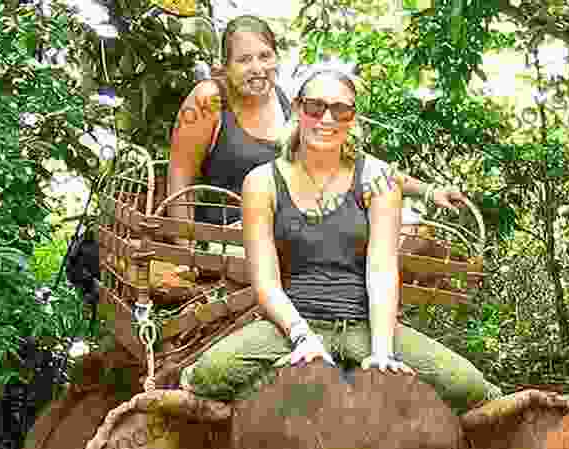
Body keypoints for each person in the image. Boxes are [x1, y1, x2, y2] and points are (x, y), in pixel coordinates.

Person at [179, 65, 502, 414]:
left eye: (340, 110)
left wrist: (381, 352)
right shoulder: (262, 182)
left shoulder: (377, 178)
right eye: (315, 107)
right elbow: (266, 281)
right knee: (209, 374)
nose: (326, 119)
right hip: (292, 324)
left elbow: (381, 269)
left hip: (363, 326)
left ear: (352, 118)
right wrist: (302, 338)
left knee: (467, 384)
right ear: (298, 110)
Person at [167, 15, 464, 228]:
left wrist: (427, 191)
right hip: (223, 239)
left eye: (264, 56)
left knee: (398, 224)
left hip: (279, 233)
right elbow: (180, 175)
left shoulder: (286, 103)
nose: (257, 68)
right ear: (225, 66)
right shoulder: (210, 98)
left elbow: (349, 161)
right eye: (244, 60)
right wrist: (185, 249)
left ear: (276, 59)